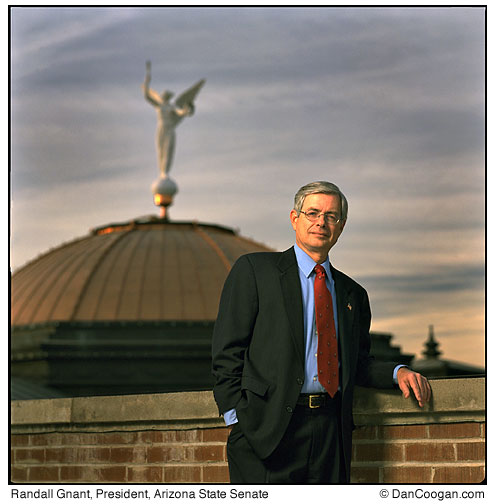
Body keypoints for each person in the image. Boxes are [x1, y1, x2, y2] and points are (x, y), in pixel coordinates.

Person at [211, 181, 431, 484]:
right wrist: (237, 417)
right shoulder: (254, 271)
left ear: (340, 227)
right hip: (266, 433)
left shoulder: (353, 293)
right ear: (294, 218)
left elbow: (358, 363)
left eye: (332, 216)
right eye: (313, 213)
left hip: (330, 431)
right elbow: (227, 350)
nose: (321, 222)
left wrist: (398, 373)